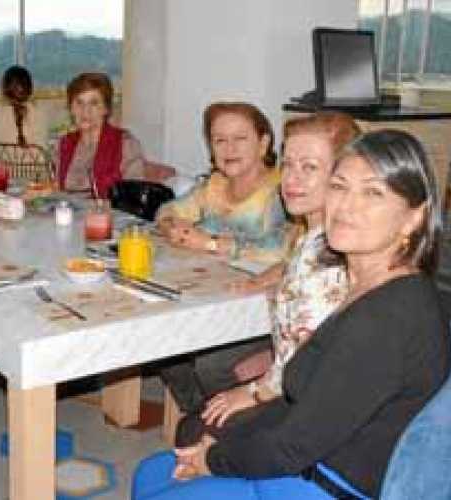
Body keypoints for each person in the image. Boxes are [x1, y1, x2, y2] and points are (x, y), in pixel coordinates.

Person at [133, 129, 450, 500]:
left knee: (158, 482)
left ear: (414, 217)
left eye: (373, 192)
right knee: (152, 471)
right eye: (339, 186)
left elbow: (292, 447)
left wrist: (213, 460)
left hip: (327, 485)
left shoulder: (387, 318)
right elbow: (306, 410)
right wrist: (221, 445)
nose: (346, 206)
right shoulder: (367, 284)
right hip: (312, 456)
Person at [173, 112, 359, 460]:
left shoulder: (332, 258)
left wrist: (256, 391)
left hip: (305, 410)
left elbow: (312, 362)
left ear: (343, 177)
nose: (292, 179)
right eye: (288, 165)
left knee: (192, 431)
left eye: (310, 167)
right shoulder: (313, 237)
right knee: (201, 412)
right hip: (291, 380)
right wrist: (267, 278)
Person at [155, 102, 290, 415]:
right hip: (218, 290)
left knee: (208, 363)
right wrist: (172, 225)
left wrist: (212, 243)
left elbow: (281, 248)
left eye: (240, 138)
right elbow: (168, 209)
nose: (229, 148)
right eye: (219, 140)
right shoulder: (214, 185)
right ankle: (205, 419)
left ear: (264, 143)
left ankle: (234, 427)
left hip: (262, 304)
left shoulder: (281, 189)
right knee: (163, 348)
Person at [57, 72, 146, 196]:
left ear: (106, 109)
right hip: (68, 213)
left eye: (94, 103)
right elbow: (59, 191)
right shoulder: (65, 143)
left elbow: (134, 195)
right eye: (79, 103)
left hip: (111, 214)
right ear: (71, 108)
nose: (85, 111)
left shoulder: (125, 143)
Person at [0, 65, 48, 153]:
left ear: (4, 89)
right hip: (33, 166)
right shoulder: (39, 113)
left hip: (1, 165)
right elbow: (43, 150)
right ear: (30, 88)